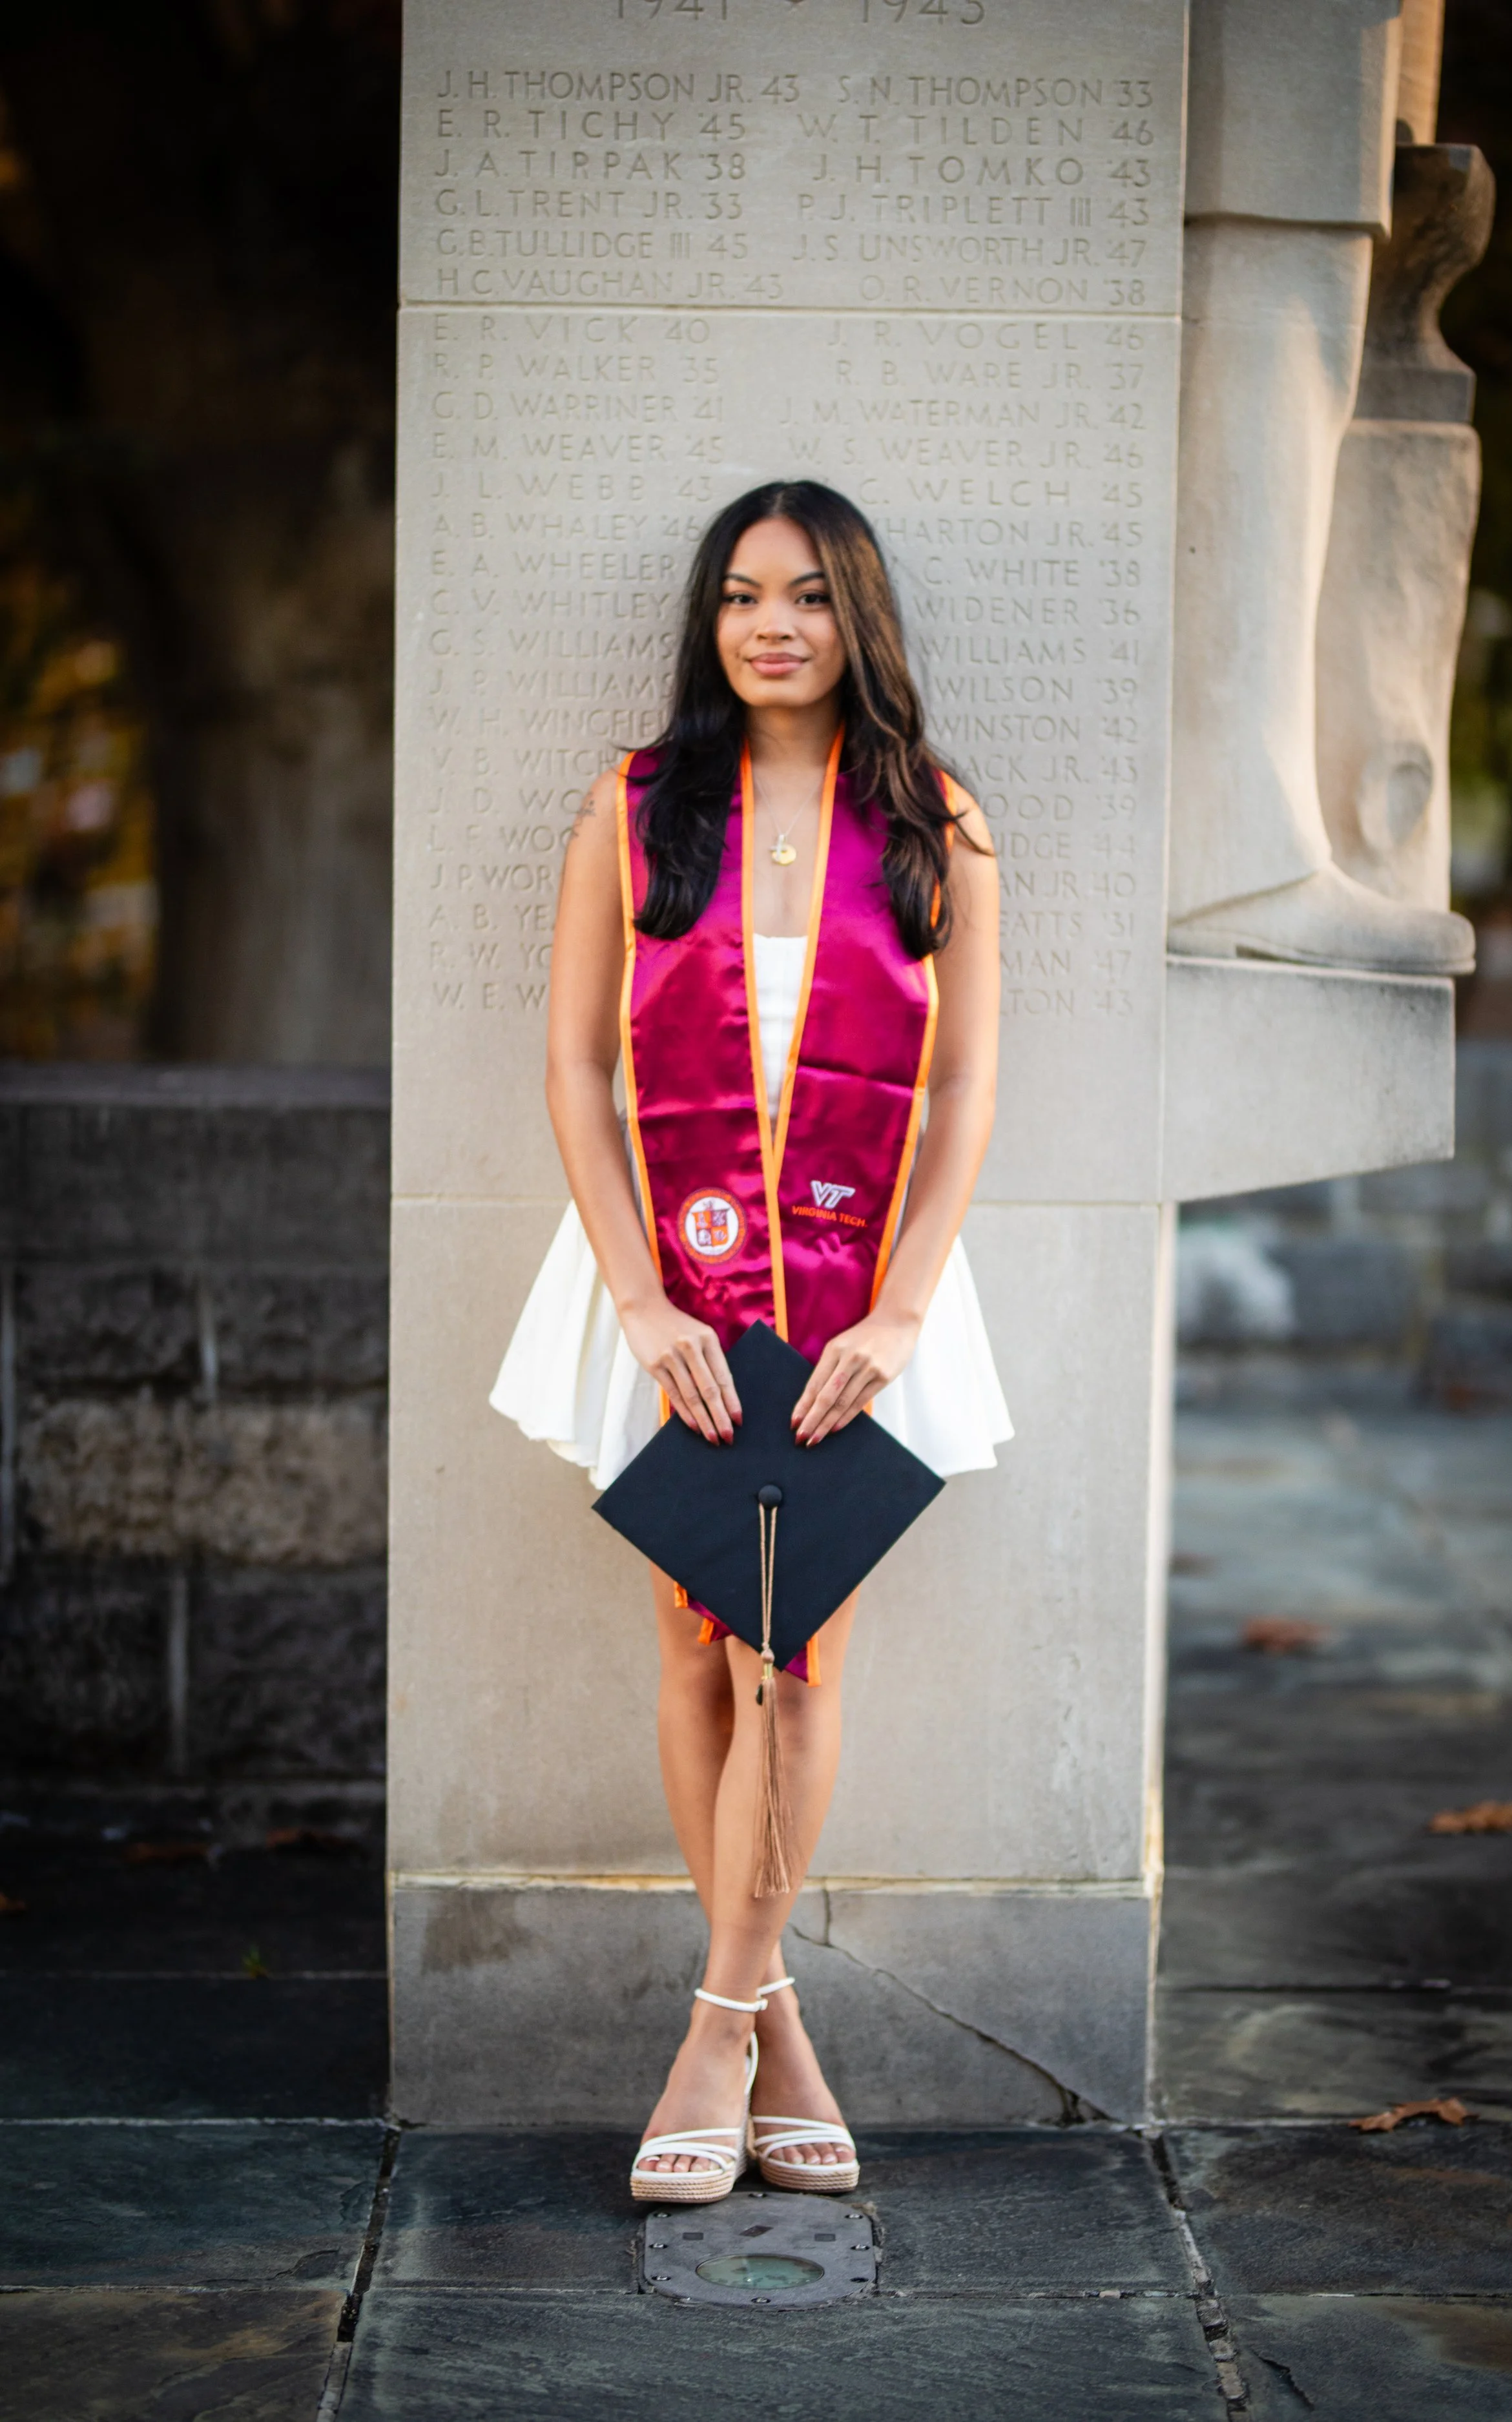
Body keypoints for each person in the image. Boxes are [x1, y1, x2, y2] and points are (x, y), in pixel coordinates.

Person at [491, 481, 1011, 2203]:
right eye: (737, 594)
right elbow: (576, 1064)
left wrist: (905, 1303)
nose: (767, 623)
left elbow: (958, 1093)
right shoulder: (641, 812)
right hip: (671, 1283)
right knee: (703, 1638)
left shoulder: (937, 821)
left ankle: (712, 2025)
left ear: (856, 615)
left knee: (795, 1654)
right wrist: (637, 1297)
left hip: (863, 1293)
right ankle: (776, 2026)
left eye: (801, 594)